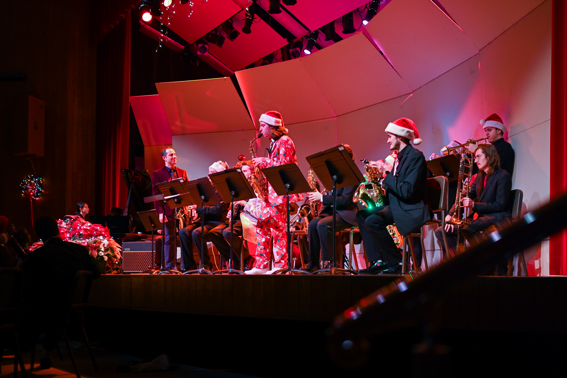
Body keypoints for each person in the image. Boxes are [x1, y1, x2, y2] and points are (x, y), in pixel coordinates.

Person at [18, 216, 100, 369]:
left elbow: (30, 289)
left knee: (22, 307)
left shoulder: (38, 256)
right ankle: (44, 351)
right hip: (74, 309)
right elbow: (96, 274)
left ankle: (21, 346)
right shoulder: (81, 251)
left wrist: (21, 267)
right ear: (57, 230)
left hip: (46, 311)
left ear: (39, 235)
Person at [357, 118, 431, 275]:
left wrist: (386, 173)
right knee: (362, 216)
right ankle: (380, 260)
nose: (387, 140)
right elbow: (397, 188)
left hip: (410, 208)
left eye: (390, 136)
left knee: (372, 220)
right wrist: (382, 181)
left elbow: (406, 191)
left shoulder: (415, 156)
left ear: (400, 136)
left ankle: (396, 261)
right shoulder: (400, 157)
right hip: (399, 205)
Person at [435, 144, 512, 275]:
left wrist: (474, 205)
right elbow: (464, 196)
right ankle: (459, 264)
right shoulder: (480, 177)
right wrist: (451, 213)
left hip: (497, 216)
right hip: (482, 217)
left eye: (478, 157)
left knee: (465, 227)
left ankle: (484, 262)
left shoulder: (503, 176)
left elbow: (499, 205)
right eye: (475, 157)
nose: (475, 160)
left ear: (490, 157)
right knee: (440, 231)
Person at [246, 111, 302, 275]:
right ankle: (261, 265)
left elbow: (282, 165)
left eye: (263, 126)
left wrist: (263, 161)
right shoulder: (273, 143)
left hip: (280, 193)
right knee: (261, 225)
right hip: (270, 193)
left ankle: (280, 265)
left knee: (278, 229)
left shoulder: (285, 141)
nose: (260, 129)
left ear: (272, 126)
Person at [304, 144, 358, 272]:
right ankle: (313, 262)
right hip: (333, 212)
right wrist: (320, 195)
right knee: (312, 224)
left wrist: (321, 198)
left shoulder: (352, 176)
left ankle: (330, 262)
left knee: (322, 224)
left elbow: (345, 201)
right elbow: (332, 197)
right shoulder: (336, 175)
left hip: (346, 213)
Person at [179, 161, 229, 272]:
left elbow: (218, 210)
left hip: (216, 222)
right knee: (183, 232)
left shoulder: (222, 189)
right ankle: (188, 266)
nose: (209, 175)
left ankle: (206, 266)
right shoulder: (206, 189)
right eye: (209, 172)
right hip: (203, 221)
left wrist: (197, 208)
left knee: (197, 233)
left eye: (212, 172)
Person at [208, 158, 254, 270]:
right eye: (241, 171)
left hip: (250, 219)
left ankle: (246, 258)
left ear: (252, 172)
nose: (243, 174)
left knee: (228, 233)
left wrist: (244, 203)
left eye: (246, 171)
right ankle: (235, 259)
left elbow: (259, 207)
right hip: (237, 219)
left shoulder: (256, 187)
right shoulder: (239, 188)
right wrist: (232, 210)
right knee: (213, 233)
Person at [151, 147, 189, 271]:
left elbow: (188, 190)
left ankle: (185, 266)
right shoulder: (158, 174)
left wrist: (190, 206)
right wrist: (160, 212)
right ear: (164, 158)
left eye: (175, 154)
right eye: (171, 155)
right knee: (169, 239)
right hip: (167, 210)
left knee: (185, 237)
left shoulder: (182, 172)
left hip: (182, 211)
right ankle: (169, 267)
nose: (174, 157)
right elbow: (156, 195)